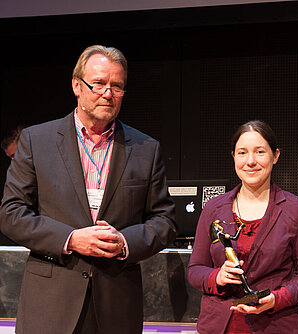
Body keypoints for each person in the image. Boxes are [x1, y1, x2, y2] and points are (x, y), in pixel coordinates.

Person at [0, 45, 177, 334]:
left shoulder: (146, 149)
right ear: (76, 86)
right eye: (98, 84)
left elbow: (165, 221)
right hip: (50, 304)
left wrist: (124, 242)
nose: (108, 93)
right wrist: (69, 238)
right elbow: (11, 213)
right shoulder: (37, 141)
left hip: (116, 305)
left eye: (117, 86)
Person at [187, 120, 298, 333]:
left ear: (275, 156)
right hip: (219, 326)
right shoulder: (213, 208)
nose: (251, 161)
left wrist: (277, 298)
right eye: (242, 153)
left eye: (260, 152)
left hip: (275, 325)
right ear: (234, 157)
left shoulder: (296, 210)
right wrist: (216, 277)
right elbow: (194, 270)